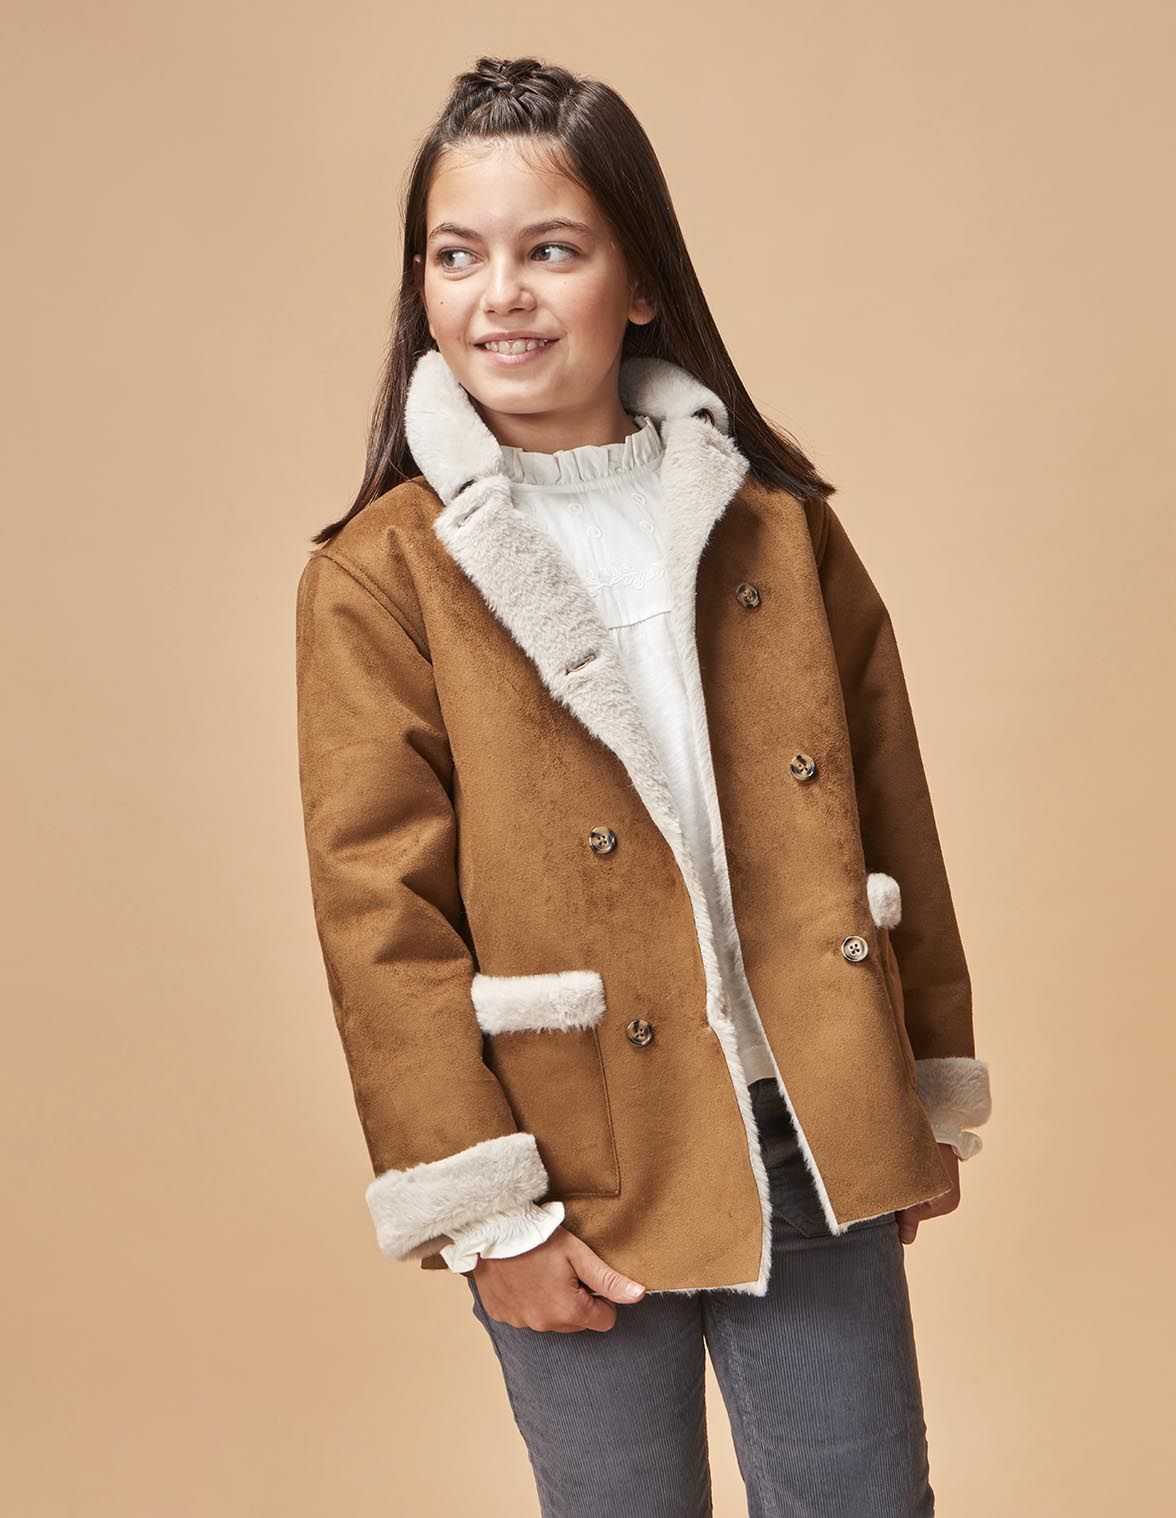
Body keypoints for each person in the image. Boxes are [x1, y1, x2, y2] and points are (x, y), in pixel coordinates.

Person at [294, 53, 992, 1517]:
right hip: (572, 1153)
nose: (501, 296)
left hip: (804, 1112)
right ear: (420, 288)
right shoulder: (381, 576)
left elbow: (891, 809)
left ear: (644, 282)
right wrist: (489, 1211)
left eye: (551, 249)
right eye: (456, 257)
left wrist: (914, 1082)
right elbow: (380, 919)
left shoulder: (775, 524)